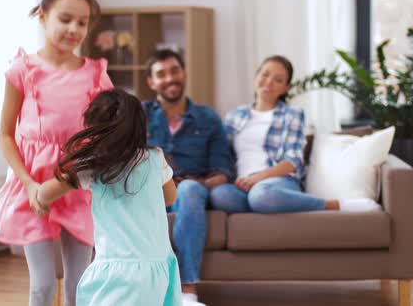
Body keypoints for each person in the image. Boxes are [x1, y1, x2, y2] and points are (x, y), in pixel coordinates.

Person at [0, 0, 113, 306]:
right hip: (32, 186)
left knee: (79, 286)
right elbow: (5, 134)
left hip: (77, 184)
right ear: (43, 16)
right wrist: (29, 185)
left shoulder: (96, 75)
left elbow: (108, 132)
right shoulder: (22, 70)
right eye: (65, 19)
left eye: (82, 23)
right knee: (42, 287)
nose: (74, 29)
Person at [30, 88, 183, 306]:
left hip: (117, 273)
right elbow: (170, 197)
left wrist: (37, 194)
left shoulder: (93, 167)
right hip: (157, 270)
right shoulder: (155, 158)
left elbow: (46, 193)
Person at [212, 55, 381, 214]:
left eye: (278, 80)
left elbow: (292, 162)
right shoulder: (234, 116)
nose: (268, 82)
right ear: (256, 76)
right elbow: (223, 155)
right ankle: (267, 205)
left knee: (261, 195)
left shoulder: (292, 114)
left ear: (286, 88)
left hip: (277, 182)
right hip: (241, 184)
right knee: (219, 196)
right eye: (265, 74)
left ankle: (331, 204)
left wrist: (257, 178)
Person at [143, 49, 231, 306]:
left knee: (190, 189)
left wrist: (194, 183)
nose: (170, 78)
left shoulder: (208, 118)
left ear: (184, 74)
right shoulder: (140, 115)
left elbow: (222, 172)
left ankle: (187, 291)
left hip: (191, 193)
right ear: (151, 82)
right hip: (151, 191)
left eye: (174, 71)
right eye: (161, 74)